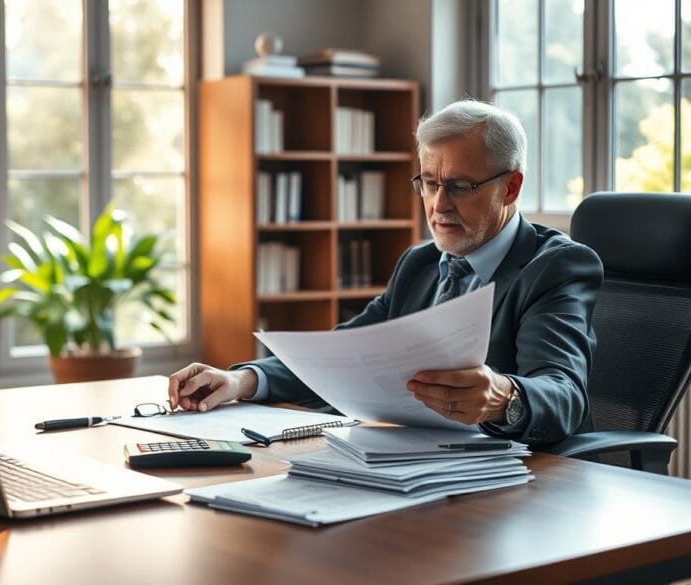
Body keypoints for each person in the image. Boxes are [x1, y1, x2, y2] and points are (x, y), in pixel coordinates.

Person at [169, 100, 603, 446]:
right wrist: (242, 379)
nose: (439, 205)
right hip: (398, 464)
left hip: (507, 484)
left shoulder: (555, 267)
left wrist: (502, 397)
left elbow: (565, 395)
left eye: (459, 186)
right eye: (429, 183)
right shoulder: (418, 264)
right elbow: (339, 357)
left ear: (510, 187)